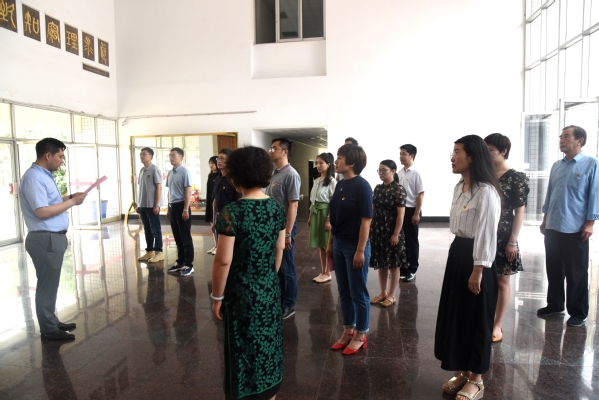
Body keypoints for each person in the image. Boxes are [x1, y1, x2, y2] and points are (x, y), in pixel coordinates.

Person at [211, 146, 287, 400]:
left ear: (236, 175)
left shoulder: (232, 213)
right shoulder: (276, 208)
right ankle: (270, 393)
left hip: (241, 293)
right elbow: (279, 249)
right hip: (269, 289)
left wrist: (217, 297)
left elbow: (223, 261)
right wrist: (267, 278)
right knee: (268, 345)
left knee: (242, 347)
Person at [436, 135, 501, 400]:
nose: (452, 158)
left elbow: (487, 234)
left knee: (477, 318)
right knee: (459, 314)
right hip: (459, 254)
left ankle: (477, 379)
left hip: (478, 260)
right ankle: (464, 371)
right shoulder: (459, 187)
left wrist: (478, 270)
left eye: (457, 152)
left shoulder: (487, 191)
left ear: (472, 156)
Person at [20, 138, 87, 340]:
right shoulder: (34, 178)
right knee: (47, 286)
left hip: (51, 238)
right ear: (48, 155)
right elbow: (42, 212)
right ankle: (48, 330)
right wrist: (72, 203)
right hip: (44, 239)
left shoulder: (44, 175)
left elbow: (50, 203)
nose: (62, 161)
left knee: (51, 284)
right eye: (60, 156)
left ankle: (51, 320)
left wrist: (69, 198)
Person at [538, 125, 599, 327]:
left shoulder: (591, 164)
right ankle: (555, 304)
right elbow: (550, 194)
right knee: (554, 269)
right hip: (553, 226)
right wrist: (545, 219)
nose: (561, 140)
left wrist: (590, 223)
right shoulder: (557, 165)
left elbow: (595, 196)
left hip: (576, 228)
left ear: (580, 140)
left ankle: (578, 312)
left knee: (576, 272)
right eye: (560, 137)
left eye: (566, 137)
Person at [327, 144, 373, 355]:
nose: (336, 161)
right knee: (344, 291)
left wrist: (360, 250)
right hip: (338, 243)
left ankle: (361, 334)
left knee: (358, 292)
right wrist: (331, 243)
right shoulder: (340, 184)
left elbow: (366, 221)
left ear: (352, 162)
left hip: (355, 246)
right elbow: (334, 218)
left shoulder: (362, 186)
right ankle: (348, 330)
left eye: (340, 157)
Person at [484, 133, 529, 342]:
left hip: (504, 235)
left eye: (491, 150)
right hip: (483, 233)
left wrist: (513, 241)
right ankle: (483, 319)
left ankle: (498, 324)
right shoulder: (483, 174)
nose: (487, 154)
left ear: (503, 151)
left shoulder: (515, 177)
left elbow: (519, 212)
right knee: (483, 279)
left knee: (502, 280)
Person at [265, 138, 301, 320]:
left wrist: (287, 233)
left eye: (274, 148)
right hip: (271, 227)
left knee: (287, 267)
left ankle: (289, 304)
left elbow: (293, 205)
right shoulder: (273, 173)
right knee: (276, 266)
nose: (271, 151)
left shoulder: (291, 175)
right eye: (271, 148)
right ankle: (279, 301)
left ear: (284, 152)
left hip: (284, 228)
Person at [369, 159, 407, 307]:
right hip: (378, 229)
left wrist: (395, 234)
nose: (381, 173)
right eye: (379, 170)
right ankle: (382, 292)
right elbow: (373, 209)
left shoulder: (398, 189)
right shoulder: (378, 188)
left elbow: (401, 215)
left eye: (384, 170)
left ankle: (392, 294)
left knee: (394, 263)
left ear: (393, 171)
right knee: (382, 262)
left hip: (392, 229)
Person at [166, 147, 194, 277]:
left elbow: (188, 191)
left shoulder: (185, 172)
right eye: (170, 155)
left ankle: (189, 264)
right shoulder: (170, 173)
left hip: (182, 206)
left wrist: (185, 209)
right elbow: (169, 191)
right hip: (172, 207)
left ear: (181, 157)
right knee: (177, 237)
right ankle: (181, 262)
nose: (171, 158)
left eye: (174, 155)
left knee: (185, 237)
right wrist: (168, 207)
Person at [397, 144, 425, 282]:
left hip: (411, 210)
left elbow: (420, 194)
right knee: (401, 240)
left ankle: (412, 269)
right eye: (400, 153)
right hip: (400, 211)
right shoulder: (399, 173)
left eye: (403, 154)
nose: (400, 156)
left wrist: (416, 213)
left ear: (411, 156)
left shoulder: (416, 173)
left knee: (411, 241)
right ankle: (403, 268)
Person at [308, 152, 336, 283]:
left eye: (321, 163)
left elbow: (333, 202)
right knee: (320, 245)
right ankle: (323, 271)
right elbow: (313, 200)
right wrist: (310, 216)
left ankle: (328, 272)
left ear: (328, 164)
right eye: (317, 163)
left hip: (325, 213)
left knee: (326, 244)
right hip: (316, 212)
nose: (318, 165)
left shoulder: (332, 181)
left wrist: (329, 219)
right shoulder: (316, 180)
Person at [136, 147, 165, 263]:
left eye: (144, 154)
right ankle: (149, 251)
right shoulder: (141, 170)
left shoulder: (154, 169)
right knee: (147, 229)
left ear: (151, 156)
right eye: (141, 154)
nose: (142, 156)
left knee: (155, 229)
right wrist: (139, 204)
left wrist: (156, 205)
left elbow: (159, 187)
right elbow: (141, 189)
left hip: (152, 206)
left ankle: (159, 252)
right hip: (143, 206)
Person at [211, 149, 240, 256]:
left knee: (230, 250)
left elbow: (239, 201)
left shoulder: (234, 180)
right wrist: (213, 220)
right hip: (219, 217)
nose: (219, 161)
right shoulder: (217, 179)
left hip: (231, 218)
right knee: (220, 249)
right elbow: (215, 200)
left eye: (222, 158)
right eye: (218, 158)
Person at [205, 155, 220, 255]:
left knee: (216, 226)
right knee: (212, 224)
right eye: (210, 163)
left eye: (213, 163)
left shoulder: (219, 176)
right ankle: (215, 245)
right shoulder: (210, 176)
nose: (211, 165)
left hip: (215, 202)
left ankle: (218, 246)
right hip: (209, 202)